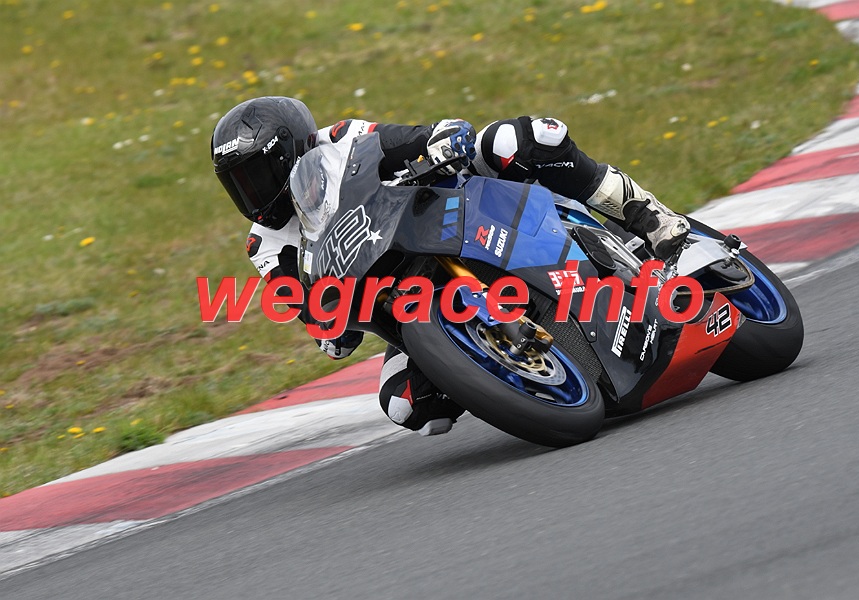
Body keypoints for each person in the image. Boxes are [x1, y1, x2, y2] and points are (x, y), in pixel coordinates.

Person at [211, 96, 689, 437]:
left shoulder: (341, 140)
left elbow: (414, 139)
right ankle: (507, 377)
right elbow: (314, 320)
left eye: (257, 177)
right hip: (402, 295)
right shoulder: (264, 245)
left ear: (291, 151)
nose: (253, 195)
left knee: (512, 140)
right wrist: (327, 322)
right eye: (238, 185)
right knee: (405, 404)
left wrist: (440, 142)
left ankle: (646, 214)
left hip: (445, 214)